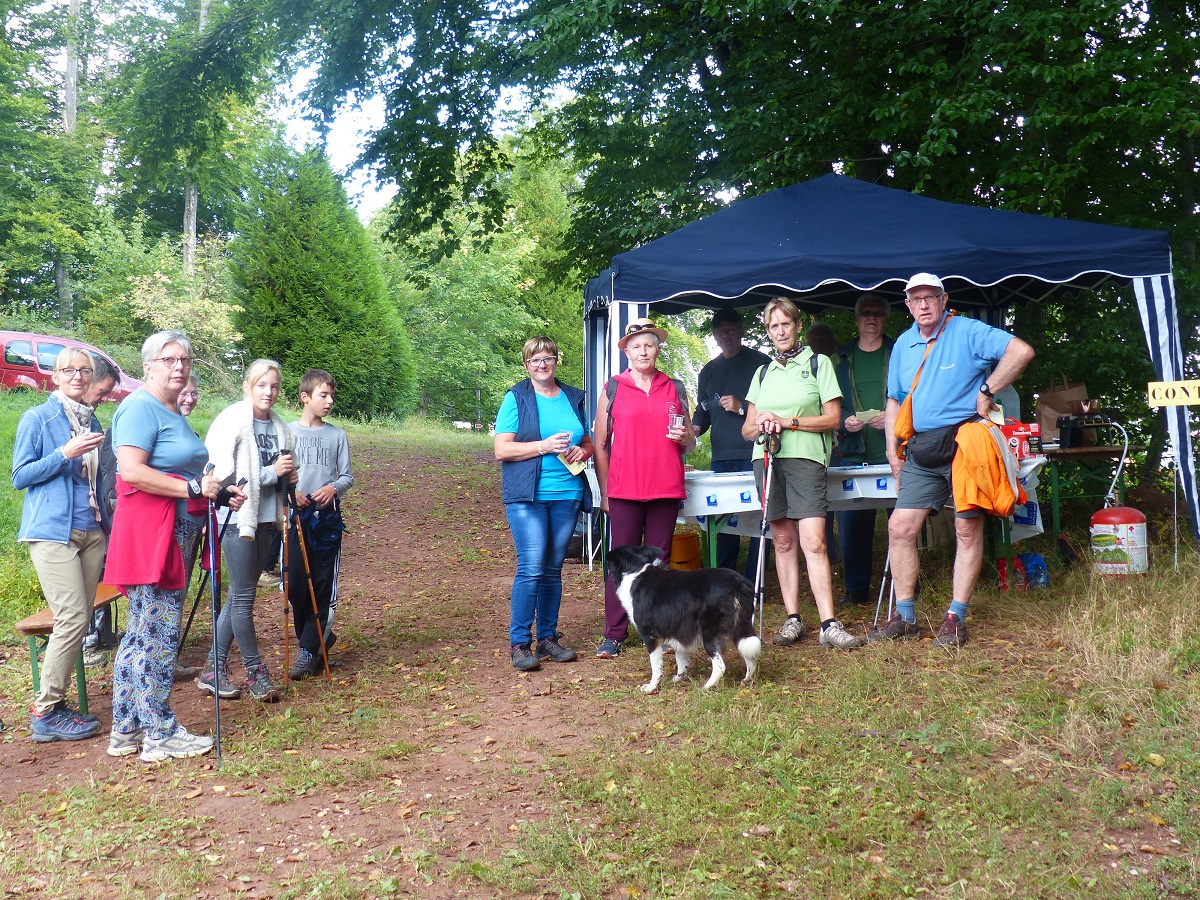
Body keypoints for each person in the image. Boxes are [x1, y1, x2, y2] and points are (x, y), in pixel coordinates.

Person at [875, 273, 1035, 648]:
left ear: (944, 299)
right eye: (916, 300)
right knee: (900, 527)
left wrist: (987, 389)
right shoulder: (903, 343)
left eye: (930, 297)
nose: (924, 305)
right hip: (920, 447)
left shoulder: (968, 331)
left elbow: (1021, 351)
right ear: (908, 305)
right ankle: (905, 615)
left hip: (966, 442)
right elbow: (895, 400)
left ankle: (955, 618)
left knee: (967, 529)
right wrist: (890, 449)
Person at [104, 331, 242, 762]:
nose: (178, 366)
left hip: (173, 531)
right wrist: (194, 487)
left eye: (184, 359)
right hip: (154, 535)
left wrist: (213, 492)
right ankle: (160, 732)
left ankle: (126, 730)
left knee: (141, 633)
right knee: (159, 634)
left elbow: (185, 478)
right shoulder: (140, 408)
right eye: (168, 360)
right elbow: (132, 472)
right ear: (148, 366)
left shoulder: (168, 409)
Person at [741, 298, 860, 650]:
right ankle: (793, 619)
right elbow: (747, 430)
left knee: (814, 540)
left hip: (806, 459)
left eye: (785, 324)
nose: (780, 331)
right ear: (768, 332)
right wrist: (762, 422)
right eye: (772, 326)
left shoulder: (817, 362)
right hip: (767, 458)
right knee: (782, 540)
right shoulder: (763, 372)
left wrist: (787, 422)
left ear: (796, 327)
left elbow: (833, 419)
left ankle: (829, 622)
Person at [12, 348, 107, 742]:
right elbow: (20, 475)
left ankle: (57, 703)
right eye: (69, 369)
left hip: (91, 529)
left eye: (84, 370)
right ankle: (46, 709)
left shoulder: (94, 419)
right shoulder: (38, 418)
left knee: (81, 619)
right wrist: (63, 453)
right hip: (52, 530)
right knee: (70, 617)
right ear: (54, 375)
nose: (78, 376)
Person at [592, 318, 697, 659]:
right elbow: (600, 443)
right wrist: (605, 492)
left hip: (665, 487)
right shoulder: (614, 387)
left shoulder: (675, 387)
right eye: (636, 345)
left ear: (657, 349)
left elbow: (690, 440)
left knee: (658, 563)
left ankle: (662, 631)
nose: (643, 351)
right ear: (626, 350)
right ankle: (614, 634)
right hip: (624, 488)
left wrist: (687, 438)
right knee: (620, 562)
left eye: (648, 345)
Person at [494, 338, 593, 671]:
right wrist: (543, 446)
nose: (542, 364)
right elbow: (502, 450)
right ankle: (519, 643)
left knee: (553, 569)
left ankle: (547, 638)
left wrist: (585, 451)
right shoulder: (516, 398)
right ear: (526, 365)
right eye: (534, 360)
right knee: (532, 566)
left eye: (548, 358)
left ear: (555, 361)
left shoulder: (574, 397)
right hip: (527, 496)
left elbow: (587, 440)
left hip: (567, 494)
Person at [202, 359, 297, 701]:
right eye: (261, 385)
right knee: (243, 597)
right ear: (248, 386)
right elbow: (223, 477)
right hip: (238, 519)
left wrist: (289, 476)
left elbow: (282, 472)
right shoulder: (231, 421)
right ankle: (257, 674)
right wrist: (272, 472)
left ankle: (212, 669)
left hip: (268, 519)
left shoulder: (281, 428)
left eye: (273, 386)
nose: (268, 392)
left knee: (239, 594)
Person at [690, 308, 771, 576]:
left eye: (731, 329)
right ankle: (724, 579)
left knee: (761, 519)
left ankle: (755, 580)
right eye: (720, 331)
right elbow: (702, 415)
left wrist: (740, 408)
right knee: (724, 522)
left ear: (741, 331)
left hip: (756, 453)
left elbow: (775, 407)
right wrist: (688, 432)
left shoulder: (761, 363)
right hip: (721, 458)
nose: (726, 335)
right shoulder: (709, 370)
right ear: (714, 335)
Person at [286, 369, 354, 681]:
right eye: (322, 395)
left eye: (331, 396)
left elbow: (346, 476)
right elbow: (278, 475)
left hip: (326, 521)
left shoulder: (337, 436)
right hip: (295, 518)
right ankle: (315, 640)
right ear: (305, 397)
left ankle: (309, 651)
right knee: (297, 584)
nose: (329, 401)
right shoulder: (286, 433)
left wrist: (332, 489)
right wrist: (292, 494)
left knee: (323, 584)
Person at [833, 294, 896, 605]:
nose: (871, 318)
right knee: (853, 526)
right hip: (854, 452)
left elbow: (914, 394)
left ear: (886, 319)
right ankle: (856, 589)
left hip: (894, 451)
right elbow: (827, 401)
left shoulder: (898, 352)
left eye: (878, 313)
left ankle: (902, 586)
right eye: (865, 313)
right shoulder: (840, 357)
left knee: (902, 523)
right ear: (856, 319)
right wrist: (845, 420)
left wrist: (893, 416)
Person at [80, 354, 119, 668]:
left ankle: (98, 637)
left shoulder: (92, 421)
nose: (105, 399)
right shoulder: (55, 419)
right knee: (80, 585)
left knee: (100, 576)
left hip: (97, 516)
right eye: (103, 391)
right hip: (71, 522)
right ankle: (84, 643)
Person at [805, 321, 840, 568]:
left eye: (822, 340)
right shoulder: (804, 369)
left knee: (843, 504)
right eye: (813, 340)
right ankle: (827, 551)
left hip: (840, 446)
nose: (817, 345)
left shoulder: (839, 363)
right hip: (812, 450)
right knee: (820, 507)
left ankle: (838, 553)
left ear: (832, 343)